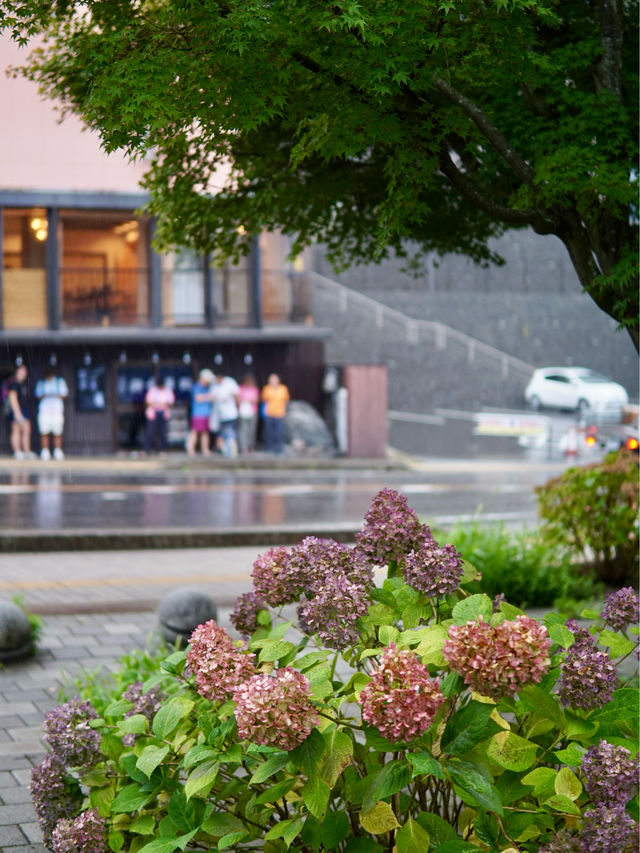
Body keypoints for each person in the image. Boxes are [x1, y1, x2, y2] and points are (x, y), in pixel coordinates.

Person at [35, 368, 69, 460]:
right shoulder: (41, 383)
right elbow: (37, 396)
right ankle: (45, 451)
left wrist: (54, 394)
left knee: (57, 431)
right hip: (44, 411)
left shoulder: (59, 382)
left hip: (56, 411)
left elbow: (64, 395)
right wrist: (46, 395)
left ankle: (57, 451)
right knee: (44, 431)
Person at [8, 364, 35, 459]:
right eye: (21, 371)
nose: (23, 373)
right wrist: (17, 412)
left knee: (26, 430)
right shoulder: (14, 383)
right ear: (16, 372)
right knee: (16, 429)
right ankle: (17, 451)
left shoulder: (23, 384)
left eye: (24, 371)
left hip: (24, 409)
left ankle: (26, 451)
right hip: (17, 410)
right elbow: (12, 397)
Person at [143, 376, 175, 455]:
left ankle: (161, 450)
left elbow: (171, 402)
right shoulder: (153, 390)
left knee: (162, 432)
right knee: (150, 432)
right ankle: (146, 450)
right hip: (153, 413)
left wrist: (160, 404)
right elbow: (148, 402)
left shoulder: (168, 391)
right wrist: (159, 404)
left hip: (163, 413)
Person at [210, 373, 240, 458]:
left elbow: (237, 395)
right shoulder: (214, 385)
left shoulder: (230, 382)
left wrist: (238, 407)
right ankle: (225, 452)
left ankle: (233, 452)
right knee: (221, 436)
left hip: (231, 414)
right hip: (220, 416)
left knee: (231, 434)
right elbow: (211, 398)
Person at [186, 369, 214, 456]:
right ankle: (190, 449)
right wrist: (208, 396)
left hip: (207, 413)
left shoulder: (208, 387)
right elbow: (198, 398)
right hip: (197, 414)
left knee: (205, 432)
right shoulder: (196, 387)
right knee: (194, 431)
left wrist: (208, 396)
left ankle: (205, 449)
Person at [261, 373, 290, 454]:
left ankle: (279, 449)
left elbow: (286, 401)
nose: (273, 381)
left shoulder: (283, 389)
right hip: (269, 413)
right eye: (271, 379)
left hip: (280, 413)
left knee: (279, 432)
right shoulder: (266, 388)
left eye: (275, 379)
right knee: (269, 432)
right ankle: (269, 448)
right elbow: (264, 400)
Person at [237, 374, 259, 454]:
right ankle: (243, 447)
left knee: (252, 430)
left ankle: (251, 446)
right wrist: (247, 400)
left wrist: (246, 399)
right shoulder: (241, 388)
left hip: (252, 412)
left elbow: (256, 400)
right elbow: (238, 400)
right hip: (243, 412)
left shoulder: (254, 389)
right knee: (243, 430)